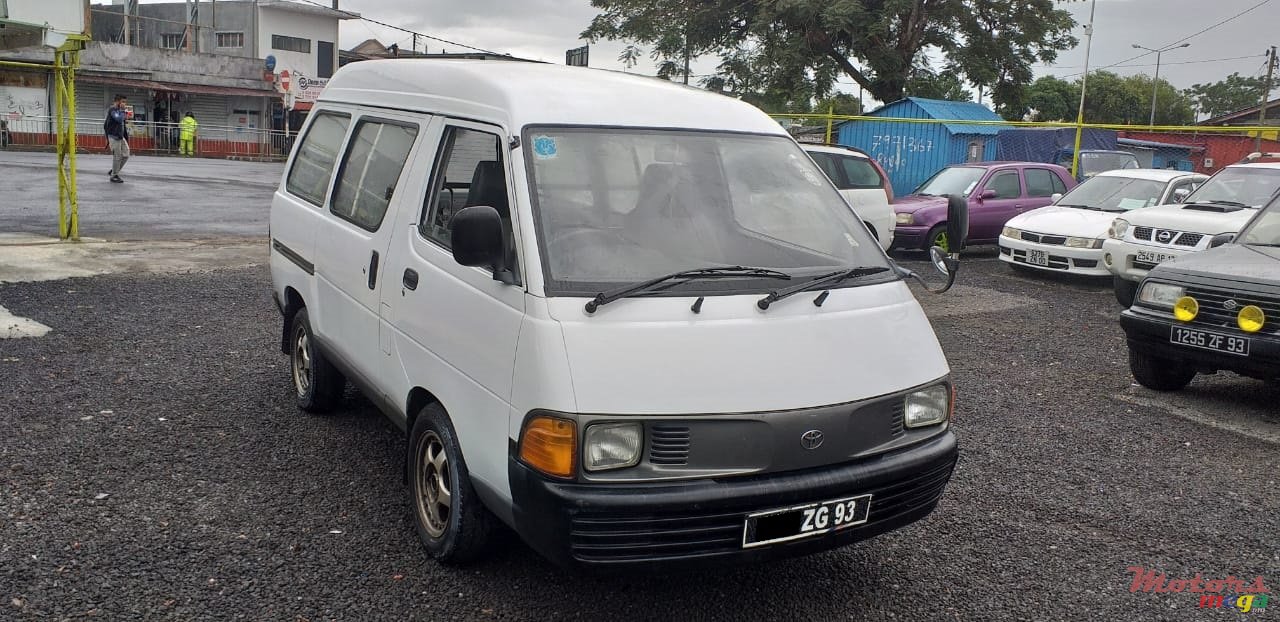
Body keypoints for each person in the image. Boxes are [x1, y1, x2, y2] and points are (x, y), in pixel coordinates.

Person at [104, 94, 130, 183]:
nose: (124, 104)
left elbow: (122, 123)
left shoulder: (120, 111)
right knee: (117, 156)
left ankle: (114, 170)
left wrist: (126, 116)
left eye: (125, 102)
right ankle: (114, 176)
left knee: (126, 154)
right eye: (123, 102)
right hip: (114, 136)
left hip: (120, 136)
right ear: (117, 102)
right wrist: (123, 112)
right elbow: (118, 119)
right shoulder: (113, 110)